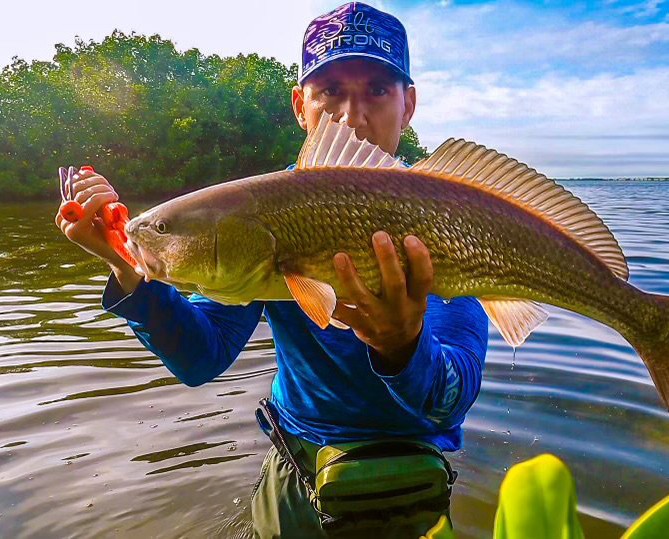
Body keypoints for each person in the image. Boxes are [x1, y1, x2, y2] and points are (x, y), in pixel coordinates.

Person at [54, 2, 488, 538]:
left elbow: (450, 400)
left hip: (409, 480)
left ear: (409, 105)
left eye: (377, 89)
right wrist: (126, 265)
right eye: (330, 91)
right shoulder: (260, 211)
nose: (352, 115)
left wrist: (403, 345)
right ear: (299, 106)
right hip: (297, 467)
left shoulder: (448, 214)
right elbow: (201, 356)